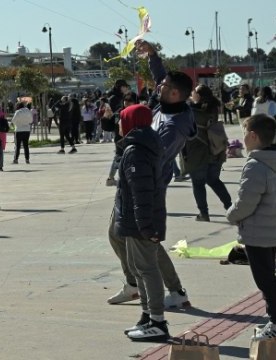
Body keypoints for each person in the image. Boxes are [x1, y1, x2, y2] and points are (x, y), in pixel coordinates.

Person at [106, 40, 194, 311]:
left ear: (176, 94)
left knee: (144, 240)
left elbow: (156, 157)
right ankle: (135, 284)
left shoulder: (174, 126)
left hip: (146, 183)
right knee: (119, 234)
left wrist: (131, 160)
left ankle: (170, 292)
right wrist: (153, 54)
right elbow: (159, 76)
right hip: (136, 177)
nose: (160, 87)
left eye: (166, 87)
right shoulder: (166, 105)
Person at [111, 104, 170, 342]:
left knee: (147, 269)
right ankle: (147, 316)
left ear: (130, 122)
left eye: (121, 119)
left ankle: (157, 321)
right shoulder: (141, 145)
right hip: (136, 219)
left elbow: (141, 191)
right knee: (138, 269)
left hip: (141, 221)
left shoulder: (136, 150)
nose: (118, 123)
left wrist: (145, 225)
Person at [227, 114, 276, 340]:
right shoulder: (275, 159)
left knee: (265, 280)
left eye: (244, 133)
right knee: (269, 277)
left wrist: (232, 215)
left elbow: (246, 203)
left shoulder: (256, 166)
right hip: (273, 228)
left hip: (258, 233)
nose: (243, 138)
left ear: (253, 136)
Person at [185, 85, 232, 222]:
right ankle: (230, 207)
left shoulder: (192, 111)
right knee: (214, 180)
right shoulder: (213, 108)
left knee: (198, 183)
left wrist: (191, 101)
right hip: (216, 150)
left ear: (198, 96)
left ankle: (204, 214)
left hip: (198, 153)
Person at [12, 99, 33, 164]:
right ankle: (27, 159)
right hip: (27, 130)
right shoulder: (28, 111)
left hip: (19, 130)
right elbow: (31, 120)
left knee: (18, 146)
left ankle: (16, 159)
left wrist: (18, 123)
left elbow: (13, 121)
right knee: (26, 145)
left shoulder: (18, 112)